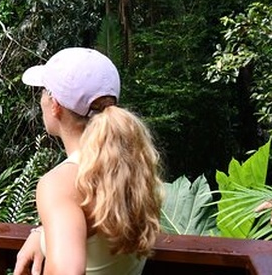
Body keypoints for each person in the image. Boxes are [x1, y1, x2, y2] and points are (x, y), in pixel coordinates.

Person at [13, 47, 162, 275]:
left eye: (44, 91)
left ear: (55, 105)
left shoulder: (60, 184)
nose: (41, 98)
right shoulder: (131, 167)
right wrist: (43, 233)